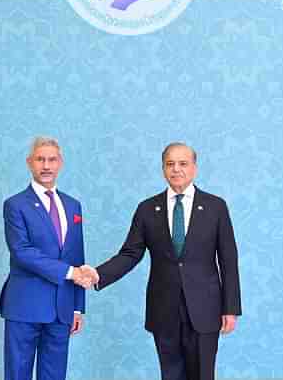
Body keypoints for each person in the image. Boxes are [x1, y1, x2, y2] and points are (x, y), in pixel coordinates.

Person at [87, 142, 242, 380]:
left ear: (194, 168)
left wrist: (230, 308)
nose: (176, 169)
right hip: (164, 310)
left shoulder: (215, 207)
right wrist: (98, 274)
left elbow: (228, 260)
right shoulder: (148, 209)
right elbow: (130, 254)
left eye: (183, 163)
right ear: (163, 169)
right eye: (170, 164)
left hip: (205, 309)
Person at [0, 136, 94, 380]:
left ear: (60, 163)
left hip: (62, 308)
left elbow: (77, 255)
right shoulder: (15, 205)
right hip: (25, 306)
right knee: (17, 374)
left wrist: (77, 307)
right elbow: (22, 252)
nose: (46, 166)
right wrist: (70, 273)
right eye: (40, 159)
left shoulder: (73, 206)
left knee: (54, 375)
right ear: (30, 163)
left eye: (52, 160)